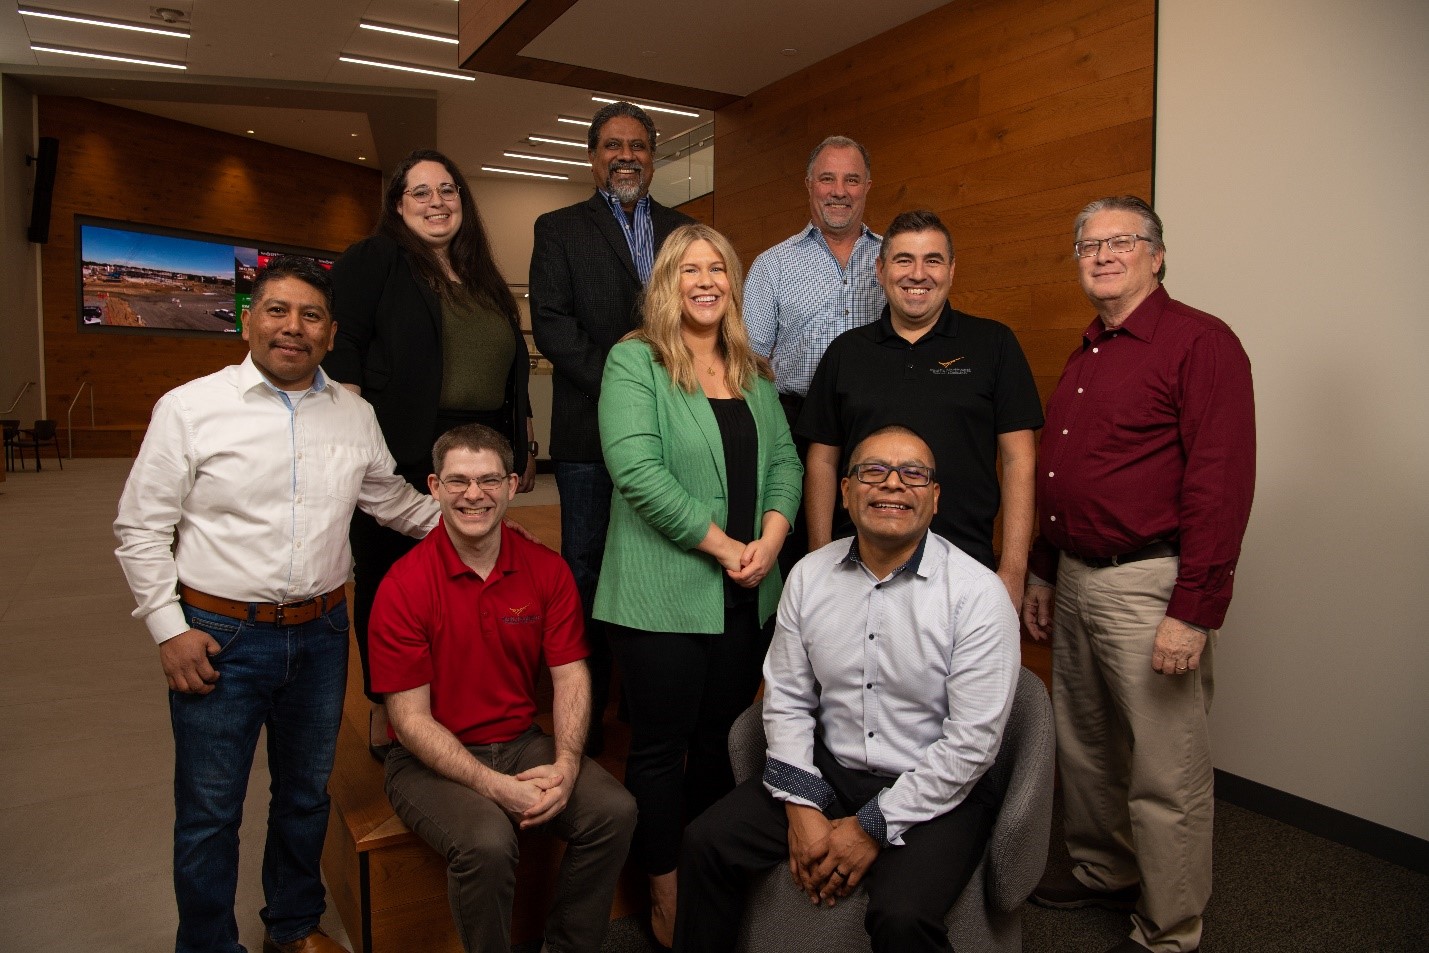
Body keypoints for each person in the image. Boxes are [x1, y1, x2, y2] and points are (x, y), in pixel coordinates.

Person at [114, 257, 439, 953]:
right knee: (209, 812)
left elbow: (394, 503)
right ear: (248, 319)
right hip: (218, 635)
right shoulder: (190, 407)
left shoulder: (354, 414)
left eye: (310, 316)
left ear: (330, 334)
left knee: (304, 796)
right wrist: (169, 629)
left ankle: (291, 928)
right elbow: (140, 527)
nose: (293, 327)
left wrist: (476, 518)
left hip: (320, 634)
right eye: (277, 311)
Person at [676, 425, 1020, 953]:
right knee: (705, 843)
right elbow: (787, 699)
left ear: (934, 497)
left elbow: (972, 743)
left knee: (902, 917)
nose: (892, 486)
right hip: (830, 771)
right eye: (873, 471)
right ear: (845, 490)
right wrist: (801, 807)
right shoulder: (810, 576)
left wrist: (870, 828)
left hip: (938, 789)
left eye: (913, 475)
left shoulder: (977, 595)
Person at [1023, 196, 1256, 953]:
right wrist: (1044, 571)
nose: (1101, 254)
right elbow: (1065, 475)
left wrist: (1193, 610)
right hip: (1080, 578)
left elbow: (1219, 486)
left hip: (1152, 584)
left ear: (1156, 255)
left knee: (1165, 767)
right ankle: (1102, 869)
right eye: (1086, 244)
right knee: (1085, 747)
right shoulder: (1091, 348)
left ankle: (1170, 925)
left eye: (1120, 241)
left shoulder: (1201, 343)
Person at [595, 223, 802, 946]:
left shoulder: (751, 367)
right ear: (666, 283)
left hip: (747, 593)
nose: (706, 280)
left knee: (722, 741)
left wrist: (770, 541)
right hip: (662, 598)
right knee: (659, 747)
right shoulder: (635, 361)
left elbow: (785, 466)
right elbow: (638, 474)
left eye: (718, 267)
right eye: (689, 269)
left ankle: (708, 870)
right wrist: (724, 547)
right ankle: (664, 885)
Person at [367, 424, 636, 953]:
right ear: (434, 486)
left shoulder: (546, 570)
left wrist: (565, 762)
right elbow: (411, 721)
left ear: (513, 485)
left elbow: (571, 676)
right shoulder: (402, 586)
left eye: (489, 479)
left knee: (614, 811)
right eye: (459, 481)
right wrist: (494, 787)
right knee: (488, 842)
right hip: (426, 760)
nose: (474, 494)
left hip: (518, 741)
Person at [323, 148, 535, 760]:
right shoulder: (377, 259)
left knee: (472, 578)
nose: (436, 203)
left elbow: (509, 373)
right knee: (393, 581)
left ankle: (462, 699)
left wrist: (514, 452)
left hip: (483, 450)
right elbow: (346, 350)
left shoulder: (484, 276)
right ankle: (388, 707)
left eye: (448, 190)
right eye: (420, 192)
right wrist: (358, 443)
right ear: (397, 205)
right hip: (402, 449)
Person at [530, 102, 696, 755]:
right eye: (611, 146)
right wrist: (628, 388)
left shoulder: (687, 232)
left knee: (660, 561)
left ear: (653, 156)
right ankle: (588, 711)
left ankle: (646, 700)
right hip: (588, 433)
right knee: (588, 567)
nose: (624, 156)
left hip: (674, 429)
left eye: (637, 146)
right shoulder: (559, 229)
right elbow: (552, 324)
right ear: (592, 156)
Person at [798, 209, 1043, 606]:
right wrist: (819, 558)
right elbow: (823, 462)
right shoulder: (846, 352)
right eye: (903, 260)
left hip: (964, 570)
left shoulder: (994, 344)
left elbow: (1020, 462)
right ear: (880, 270)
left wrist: (1014, 570)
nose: (918, 274)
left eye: (932, 260)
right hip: (855, 570)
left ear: (951, 270)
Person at [743, 135, 884, 575]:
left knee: (879, 542)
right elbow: (748, 362)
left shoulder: (893, 260)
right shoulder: (773, 266)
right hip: (795, 427)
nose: (839, 190)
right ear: (809, 184)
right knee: (797, 550)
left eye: (851, 180)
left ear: (867, 186)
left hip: (878, 423)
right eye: (827, 178)